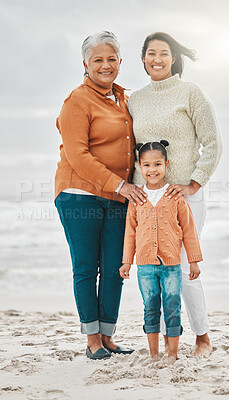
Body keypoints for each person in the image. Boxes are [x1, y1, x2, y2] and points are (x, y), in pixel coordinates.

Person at [128, 32, 223, 357]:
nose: (157, 58)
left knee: (181, 270)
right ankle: (169, 345)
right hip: (147, 199)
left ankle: (202, 338)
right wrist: (131, 187)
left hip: (184, 198)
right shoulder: (135, 99)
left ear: (173, 58)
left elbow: (213, 142)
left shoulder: (190, 93)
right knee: (156, 273)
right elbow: (132, 151)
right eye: (151, 52)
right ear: (143, 59)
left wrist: (195, 182)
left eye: (164, 53)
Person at [54, 31, 147, 360]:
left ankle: (107, 336)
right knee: (86, 267)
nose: (105, 65)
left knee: (115, 268)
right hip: (79, 193)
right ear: (85, 64)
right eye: (98, 60)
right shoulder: (76, 101)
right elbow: (78, 156)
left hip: (118, 196)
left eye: (111, 59)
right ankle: (92, 339)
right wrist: (121, 185)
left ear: (120, 63)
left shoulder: (124, 99)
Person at [120, 141, 203, 363]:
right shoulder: (137, 198)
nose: (152, 170)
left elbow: (189, 230)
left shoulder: (175, 195)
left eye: (157, 164)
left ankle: (173, 353)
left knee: (172, 306)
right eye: (147, 165)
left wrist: (194, 261)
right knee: (150, 307)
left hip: (172, 265)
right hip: (145, 266)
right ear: (139, 166)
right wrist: (127, 262)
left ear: (167, 164)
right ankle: (154, 354)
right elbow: (130, 232)